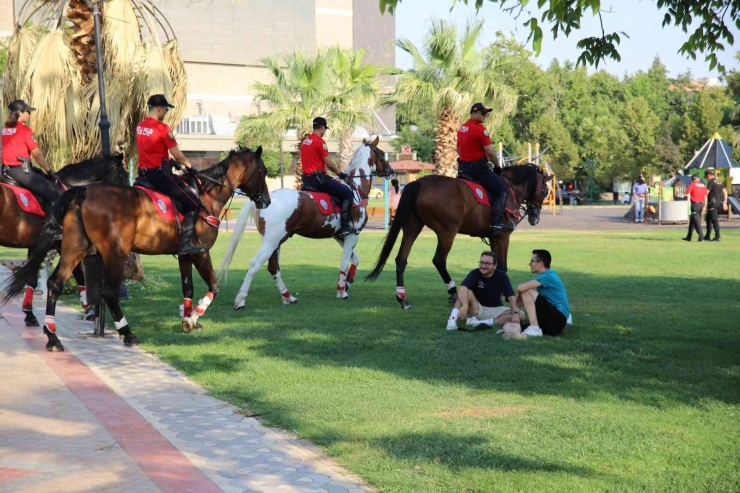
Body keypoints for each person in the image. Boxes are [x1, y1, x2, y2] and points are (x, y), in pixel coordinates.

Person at [136, 94, 205, 256]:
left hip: (143, 175)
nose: (166, 113)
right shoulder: (163, 128)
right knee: (193, 201)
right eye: (166, 110)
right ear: (159, 109)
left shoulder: (140, 126)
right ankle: (185, 245)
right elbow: (178, 154)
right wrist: (189, 166)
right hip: (160, 176)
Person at [457, 102, 511, 233]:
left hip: (463, 168)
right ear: (474, 113)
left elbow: (458, 149)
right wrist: (497, 166)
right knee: (502, 191)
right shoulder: (481, 130)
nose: (486, 116)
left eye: (486, 113)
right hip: (478, 170)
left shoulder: (462, 128)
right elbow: (491, 152)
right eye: (483, 113)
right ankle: (496, 223)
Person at [1, 100, 61, 211]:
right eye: (28, 112)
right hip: (20, 171)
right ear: (20, 113)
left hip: (6, 170)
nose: (29, 115)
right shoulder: (25, 131)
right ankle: (52, 226)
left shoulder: (5, 130)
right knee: (54, 194)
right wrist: (49, 171)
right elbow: (37, 156)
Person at [300, 117, 354, 238]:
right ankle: (345, 227)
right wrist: (341, 174)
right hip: (318, 180)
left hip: (306, 180)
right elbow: (329, 164)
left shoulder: (305, 141)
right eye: (325, 129)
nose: (324, 132)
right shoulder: (320, 142)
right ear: (322, 128)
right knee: (347, 193)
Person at [446, 251, 519, 331]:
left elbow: (511, 296)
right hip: (477, 309)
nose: (483, 266)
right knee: (466, 291)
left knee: (520, 315)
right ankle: (451, 321)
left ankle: (481, 322)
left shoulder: (502, 276)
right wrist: (465, 305)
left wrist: (515, 313)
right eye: (481, 262)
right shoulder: (475, 273)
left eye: (487, 263)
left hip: (496, 308)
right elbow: (462, 287)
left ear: (495, 265)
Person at [509, 249, 570, 338]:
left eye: (532, 261)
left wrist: (520, 294)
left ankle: (534, 328)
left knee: (527, 291)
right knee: (508, 326)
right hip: (551, 321)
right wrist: (520, 294)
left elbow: (521, 288)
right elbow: (523, 289)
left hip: (558, 319)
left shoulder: (548, 276)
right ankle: (533, 328)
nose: (529, 263)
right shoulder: (545, 276)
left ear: (541, 264)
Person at [682, 174, 708, 243]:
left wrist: (687, 196)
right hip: (702, 204)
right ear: (698, 179)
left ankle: (701, 237)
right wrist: (705, 206)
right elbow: (705, 197)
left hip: (695, 205)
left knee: (697, 222)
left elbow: (687, 194)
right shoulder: (703, 185)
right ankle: (689, 237)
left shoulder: (692, 185)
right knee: (692, 222)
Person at [704, 170, 728, 242]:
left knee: (714, 220)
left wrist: (703, 202)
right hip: (717, 202)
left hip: (712, 203)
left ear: (708, 175)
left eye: (706, 177)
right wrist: (724, 202)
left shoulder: (711, 182)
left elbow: (707, 192)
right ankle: (707, 235)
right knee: (708, 219)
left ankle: (717, 236)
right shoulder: (718, 181)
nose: (706, 178)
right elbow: (725, 192)